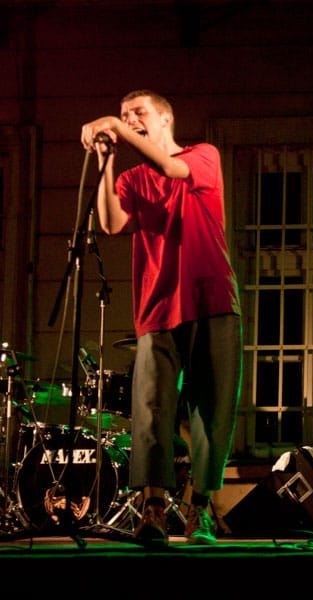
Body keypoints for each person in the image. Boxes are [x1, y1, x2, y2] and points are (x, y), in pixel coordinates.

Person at [80, 90, 242, 547]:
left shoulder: (202, 156)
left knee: (212, 409)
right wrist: (106, 160)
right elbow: (111, 223)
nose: (130, 119)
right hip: (157, 305)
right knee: (151, 411)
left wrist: (115, 124)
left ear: (166, 119)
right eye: (124, 113)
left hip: (212, 300)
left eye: (139, 113)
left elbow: (170, 169)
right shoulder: (133, 178)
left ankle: (200, 509)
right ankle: (152, 509)